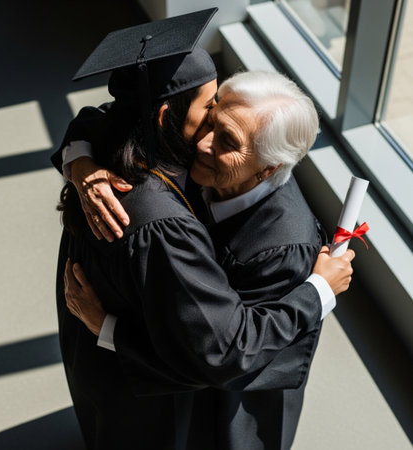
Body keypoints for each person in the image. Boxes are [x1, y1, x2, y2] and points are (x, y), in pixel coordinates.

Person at [55, 9, 354, 450]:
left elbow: (230, 354)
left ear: (268, 167)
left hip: (226, 401)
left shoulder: (281, 243)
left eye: (225, 136)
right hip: (143, 384)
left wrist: (318, 290)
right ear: (162, 118)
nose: (204, 140)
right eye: (210, 113)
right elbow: (92, 119)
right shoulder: (156, 200)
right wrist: (80, 163)